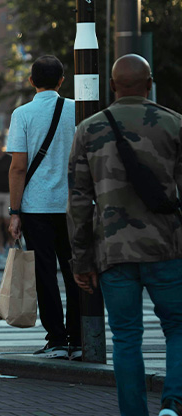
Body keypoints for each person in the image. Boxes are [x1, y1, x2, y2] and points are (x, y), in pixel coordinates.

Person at [67, 55, 182, 416]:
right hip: (166, 247)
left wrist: (81, 260)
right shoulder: (174, 124)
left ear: (112, 85)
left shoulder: (89, 129)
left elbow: (79, 201)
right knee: (178, 328)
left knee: (127, 338)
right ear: (150, 82)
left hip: (112, 252)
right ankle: (173, 404)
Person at [7, 55, 82, 359]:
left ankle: (57, 339)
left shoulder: (22, 114)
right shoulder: (78, 110)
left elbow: (18, 167)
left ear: (31, 81)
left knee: (44, 273)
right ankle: (79, 339)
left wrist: (14, 213)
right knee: (75, 270)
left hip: (36, 207)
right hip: (72, 206)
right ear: (62, 81)